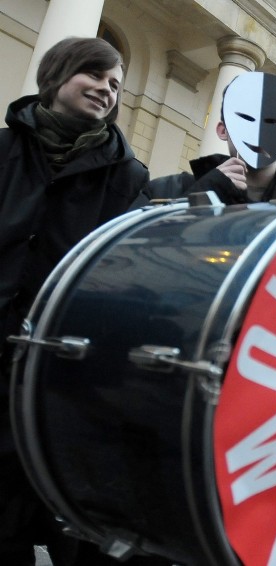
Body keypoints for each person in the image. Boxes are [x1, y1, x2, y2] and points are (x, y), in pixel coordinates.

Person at [0, 37, 149, 565]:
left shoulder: (129, 178)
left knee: (51, 517)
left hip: (60, 370)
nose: (107, 91)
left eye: (116, 86)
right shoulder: (4, 150)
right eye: (97, 76)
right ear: (59, 73)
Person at [143, 72, 276, 205]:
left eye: (271, 122)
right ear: (223, 130)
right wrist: (201, 193)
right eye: (247, 118)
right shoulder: (166, 190)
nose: (258, 132)